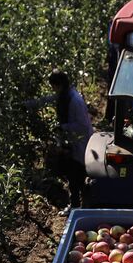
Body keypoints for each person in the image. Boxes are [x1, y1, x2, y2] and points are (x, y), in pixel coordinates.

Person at [29, 70, 93, 208]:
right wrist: (28, 104)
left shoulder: (74, 100)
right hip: (72, 142)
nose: (53, 90)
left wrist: (62, 127)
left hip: (80, 142)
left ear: (59, 85)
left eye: (54, 86)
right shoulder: (65, 95)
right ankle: (78, 203)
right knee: (72, 174)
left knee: (75, 174)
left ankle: (78, 205)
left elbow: (82, 126)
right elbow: (47, 100)